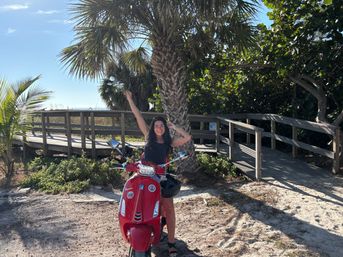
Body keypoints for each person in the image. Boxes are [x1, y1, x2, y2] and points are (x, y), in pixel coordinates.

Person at [124, 90, 191, 256]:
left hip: (159, 175)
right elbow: (137, 115)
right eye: (157, 125)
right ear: (153, 128)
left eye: (161, 126)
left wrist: (174, 126)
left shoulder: (170, 142)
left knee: (168, 207)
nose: (159, 128)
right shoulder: (148, 136)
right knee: (133, 196)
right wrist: (129, 99)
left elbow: (187, 137)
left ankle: (171, 242)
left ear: (164, 128)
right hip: (143, 172)